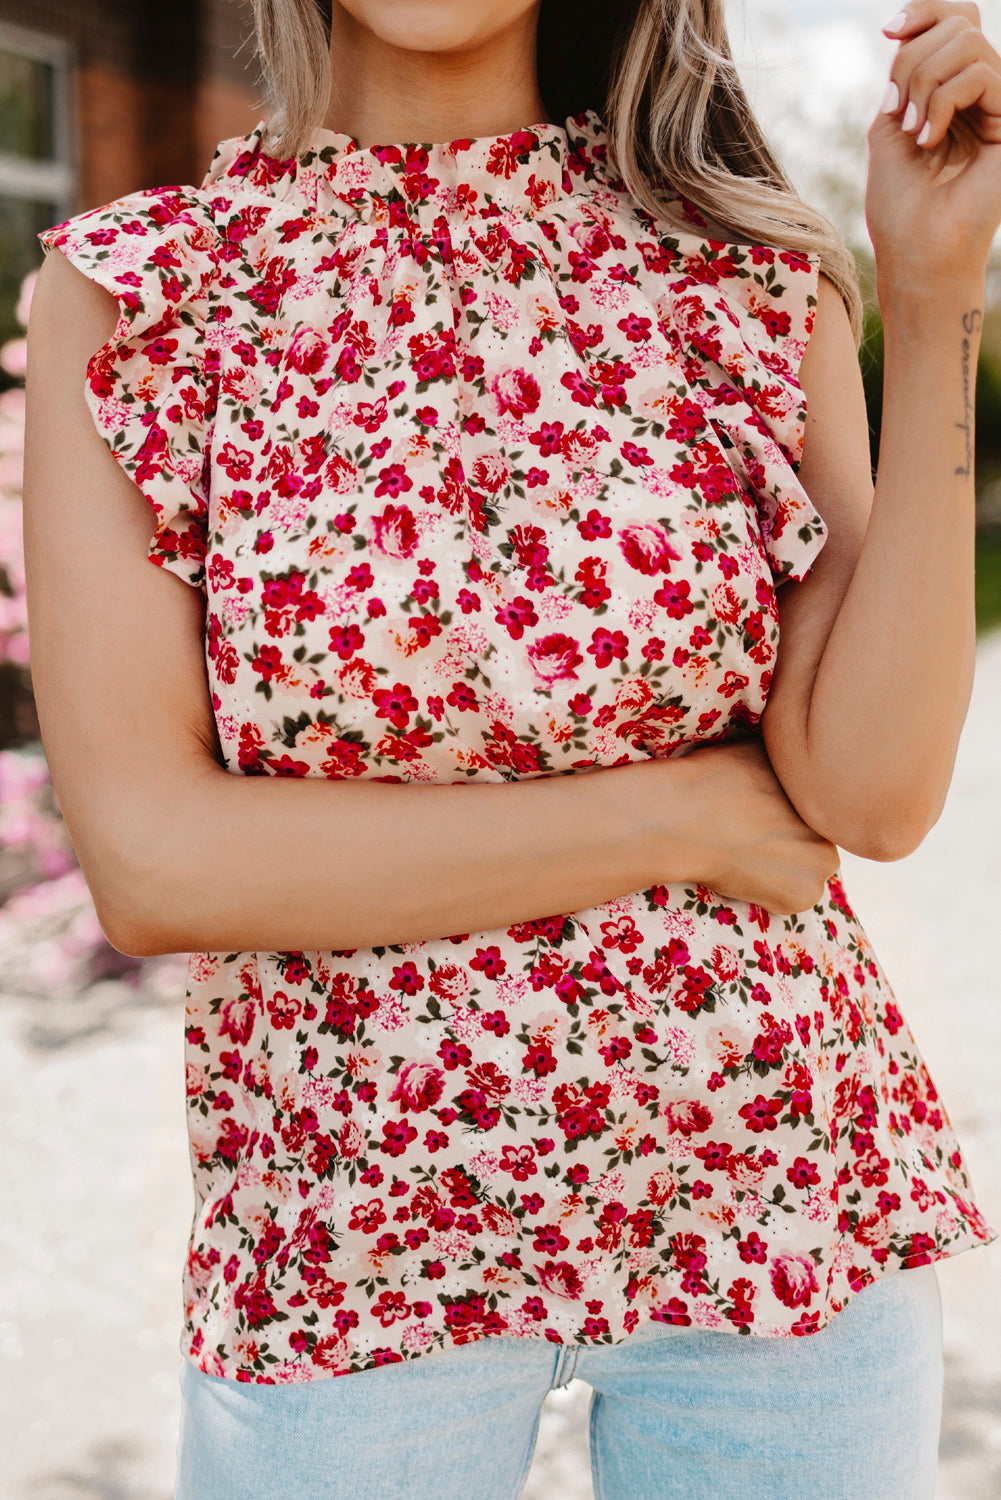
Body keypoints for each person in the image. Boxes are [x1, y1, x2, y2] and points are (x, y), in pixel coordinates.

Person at [21, 0, 1001, 1495]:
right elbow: (159, 862)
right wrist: (681, 818)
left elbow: (865, 795)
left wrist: (932, 303)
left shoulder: (746, 274)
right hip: (351, 1244)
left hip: (773, 1205)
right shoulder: (143, 293)